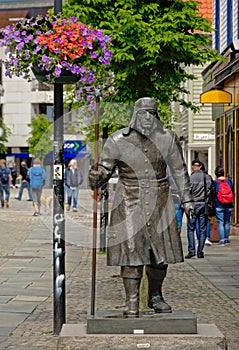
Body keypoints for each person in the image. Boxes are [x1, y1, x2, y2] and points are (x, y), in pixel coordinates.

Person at [89, 97, 194, 317]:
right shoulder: (117, 140)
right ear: (135, 115)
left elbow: (179, 171)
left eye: (152, 114)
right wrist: (96, 177)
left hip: (160, 200)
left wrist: (188, 200)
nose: (148, 118)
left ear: (157, 116)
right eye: (144, 113)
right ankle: (132, 301)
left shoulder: (167, 138)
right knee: (131, 252)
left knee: (160, 256)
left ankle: (155, 296)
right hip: (129, 198)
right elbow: (104, 172)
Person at [185, 160, 215, 259]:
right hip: (204, 204)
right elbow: (212, 191)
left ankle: (191, 250)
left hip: (193, 205)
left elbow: (187, 192)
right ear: (201, 166)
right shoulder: (207, 177)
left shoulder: (190, 178)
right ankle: (200, 251)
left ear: (193, 167)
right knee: (202, 229)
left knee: (190, 228)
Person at [214, 166, 234, 246]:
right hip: (229, 204)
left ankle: (222, 240)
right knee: (227, 222)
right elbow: (232, 190)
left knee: (220, 222)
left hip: (219, 204)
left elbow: (214, 193)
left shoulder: (215, 182)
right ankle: (226, 239)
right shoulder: (229, 181)